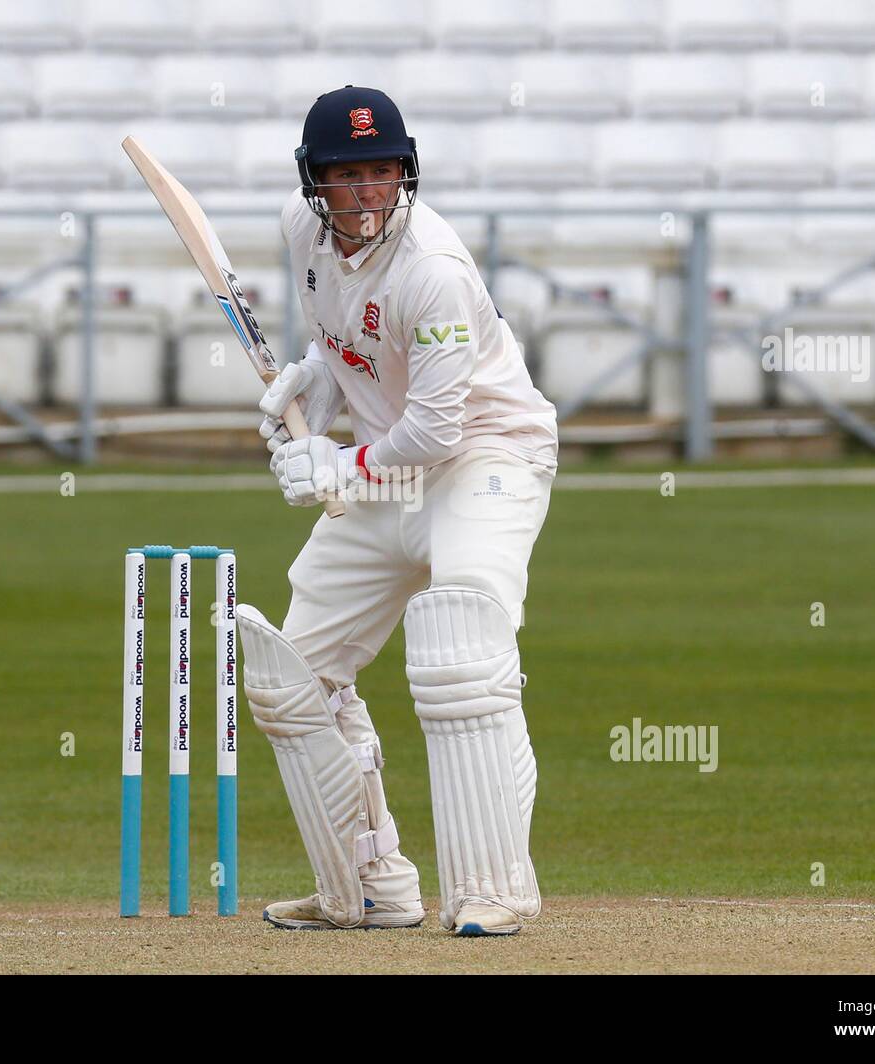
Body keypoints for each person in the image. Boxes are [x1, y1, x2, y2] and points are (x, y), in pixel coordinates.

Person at [235, 86, 558, 936]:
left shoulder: (435, 271)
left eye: (384, 172)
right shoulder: (301, 234)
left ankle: (494, 889)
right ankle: (369, 885)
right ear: (317, 185)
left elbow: (439, 429)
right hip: (396, 463)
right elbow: (354, 344)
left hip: (487, 457)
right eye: (351, 176)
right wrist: (317, 379)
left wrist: (337, 462)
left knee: (463, 644)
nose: (370, 193)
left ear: (405, 174)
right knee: (293, 674)